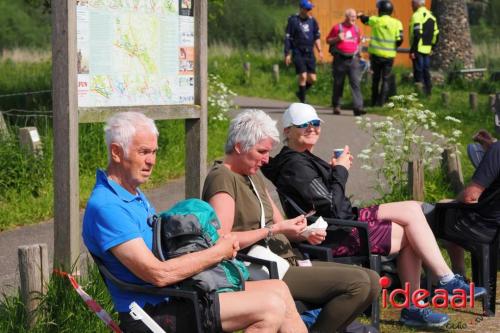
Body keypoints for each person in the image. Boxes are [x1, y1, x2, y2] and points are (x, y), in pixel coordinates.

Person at [260, 103, 487, 328]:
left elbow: (325, 200)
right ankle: (428, 296)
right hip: (334, 231)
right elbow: (333, 208)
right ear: (288, 131)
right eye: (304, 125)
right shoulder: (295, 165)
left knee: (412, 211)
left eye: (316, 123)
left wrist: (333, 171)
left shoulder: (300, 159)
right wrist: (340, 171)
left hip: (341, 221)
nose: (312, 128)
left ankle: (433, 292)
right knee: (411, 231)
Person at [82, 112, 307, 333]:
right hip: (154, 309)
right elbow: (158, 274)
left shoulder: (131, 192)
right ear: (116, 152)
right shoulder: (108, 207)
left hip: (180, 292)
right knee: (270, 308)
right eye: (143, 152)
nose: (151, 161)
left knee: (279, 289)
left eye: (153, 152)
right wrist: (218, 252)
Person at [202, 109, 380, 333]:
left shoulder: (252, 174)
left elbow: (279, 223)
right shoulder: (222, 178)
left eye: (268, 151)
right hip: (260, 269)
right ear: (239, 147)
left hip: (285, 259)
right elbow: (222, 240)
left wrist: (302, 232)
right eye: (262, 151)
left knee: (372, 280)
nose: (267, 159)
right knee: (359, 284)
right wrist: (273, 230)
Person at [358, 1, 403, 106]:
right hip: (389, 56)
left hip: (376, 55)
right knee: (385, 79)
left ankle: (373, 102)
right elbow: (400, 40)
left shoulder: (376, 20)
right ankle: (381, 103)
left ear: (380, 10)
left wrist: (360, 15)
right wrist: (393, 47)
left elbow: (365, 20)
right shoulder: (397, 23)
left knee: (376, 79)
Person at [326, 8, 366, 116]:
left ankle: (358, 107)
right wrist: (337, 39)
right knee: (338, 83)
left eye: (354, 17)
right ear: (346, 16)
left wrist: (360, 54)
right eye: (351, 16)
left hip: (353, 59)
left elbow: (359, 42)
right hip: (340, 59)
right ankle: (337, 106)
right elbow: (328, 40)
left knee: (355, 83)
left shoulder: (357, 29)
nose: (354, 18)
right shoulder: (337, 27)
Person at [284, 0, 323, 104]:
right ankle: (303, 100)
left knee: (313, 79)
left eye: (311, 9)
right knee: (303, 76)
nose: (310, 11)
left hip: (309, 52)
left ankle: (301, 92)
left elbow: (317, 37)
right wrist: (287, 53)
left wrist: (320, 51)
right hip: (298, 51)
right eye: (308, 9)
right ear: (302, 9)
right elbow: (288, 38)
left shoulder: (313, 21)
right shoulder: (293, 21)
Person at [410, 0, 439, 96]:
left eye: (412, 3)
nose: (411, 5)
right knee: (426, 70)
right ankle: (428, 93)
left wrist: (413, 50)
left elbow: (417, 34)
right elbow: (436, 34)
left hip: (418, 48)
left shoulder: (416, 15)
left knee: (418, 72)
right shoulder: (431, 16)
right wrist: (433, 47)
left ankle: (418, 94)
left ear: (416, 4)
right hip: (427, 48)